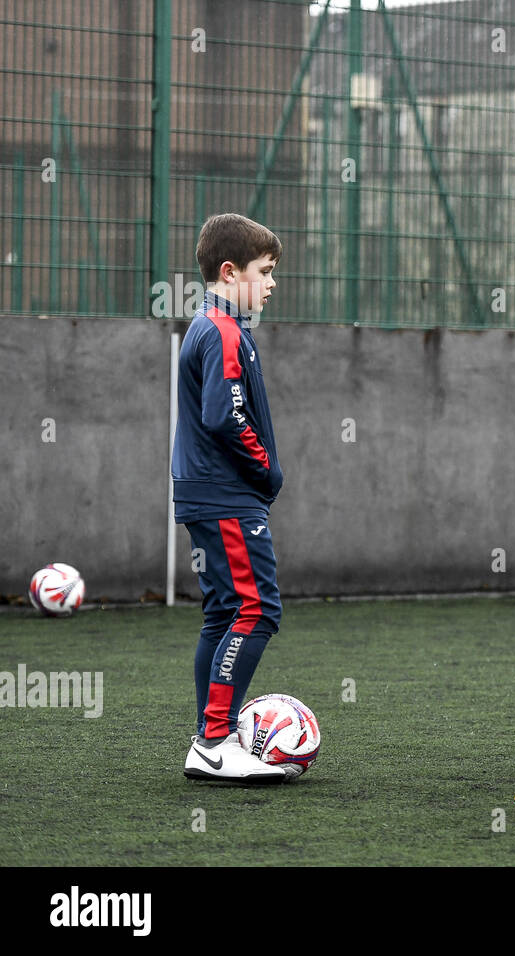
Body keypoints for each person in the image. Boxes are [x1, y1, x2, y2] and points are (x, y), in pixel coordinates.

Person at [175, 213, 290, 783]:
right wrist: (267, 468)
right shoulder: (220, 329)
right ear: (229, 271)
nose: (271, 284)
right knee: (257, 608)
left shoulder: (215, 325)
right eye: (264, 272)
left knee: (224, 610)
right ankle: (215, 740)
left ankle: (210, 735)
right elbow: (226, 416)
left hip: (209, 493)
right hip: (226, 496)